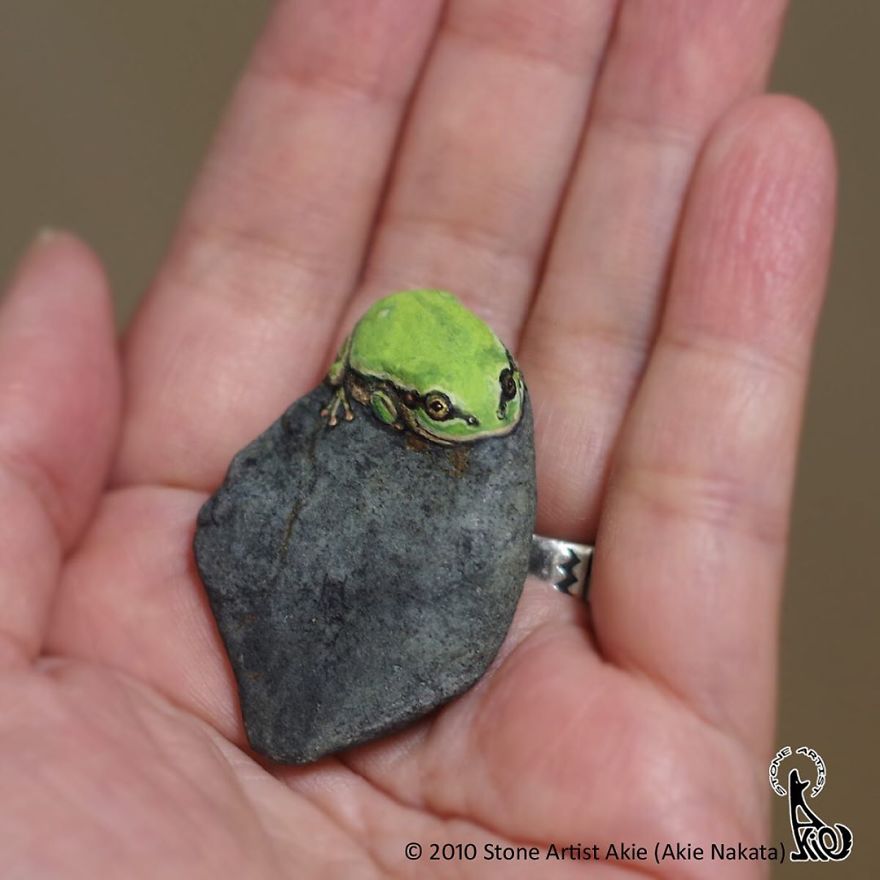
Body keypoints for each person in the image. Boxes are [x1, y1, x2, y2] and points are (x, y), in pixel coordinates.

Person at [0, 1, 835, 876]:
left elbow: (481, 394)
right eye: (441, 413)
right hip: (384, 364)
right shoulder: (376, 383)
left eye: (508, 395)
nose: (494, 423)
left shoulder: (491, 393)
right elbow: (363, 370)